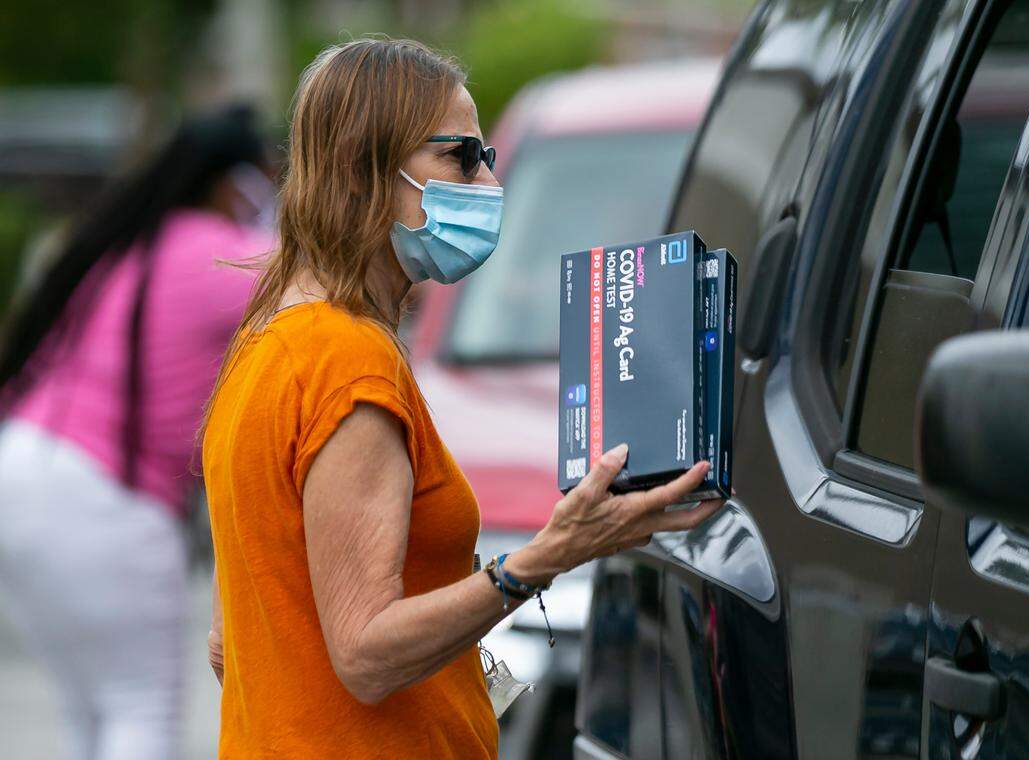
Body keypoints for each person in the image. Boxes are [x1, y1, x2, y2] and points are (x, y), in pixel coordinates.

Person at [199, 38, 724, 759]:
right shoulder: (347, 360)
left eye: (489, 159)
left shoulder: (271, 340)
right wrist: (545, 558)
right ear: (363, 168)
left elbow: (237, 643)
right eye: (460, 157)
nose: (485, 182)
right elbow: (366, 653)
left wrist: (473, 688)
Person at [0, 105, 274, 760]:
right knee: (138, 708)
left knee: (90, 711)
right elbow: (329, 288)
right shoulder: (227, 255)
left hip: (20, 468)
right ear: (237, 182)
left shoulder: (122, 244)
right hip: (105, 495)